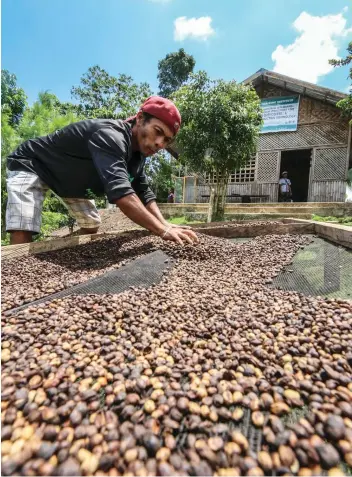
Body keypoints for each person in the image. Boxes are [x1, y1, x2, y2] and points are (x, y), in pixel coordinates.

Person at [5, 96, 199, 246]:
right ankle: (13, 283)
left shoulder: (138, 155)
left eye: (166, 140)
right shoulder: (111, 136)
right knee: (24, 224)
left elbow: (144, 193)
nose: (159, 144)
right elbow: (122, 194)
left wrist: (166, 224)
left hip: (68, 180)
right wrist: (162, 231)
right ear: (140, 118)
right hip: (34, 163)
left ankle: (73, 260)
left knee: (91, 224)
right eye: (158, 131)